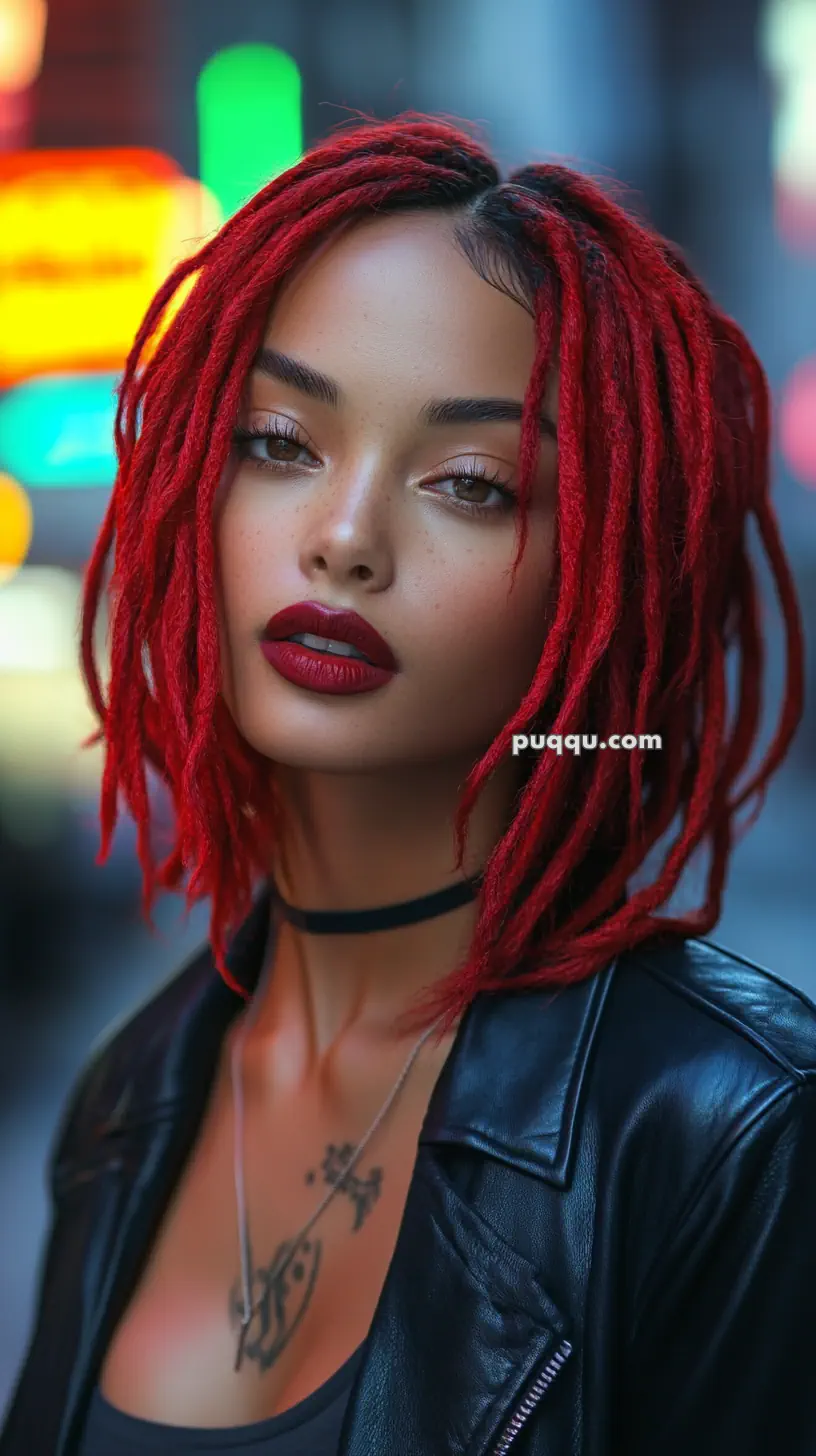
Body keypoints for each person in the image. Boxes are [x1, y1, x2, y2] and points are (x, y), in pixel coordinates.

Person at [1, 111, 814, 1456]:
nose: (344, 537)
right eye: (280, 442)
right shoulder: (130, 1096)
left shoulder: (723, 1131)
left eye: (471, 485)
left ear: (600, 585)